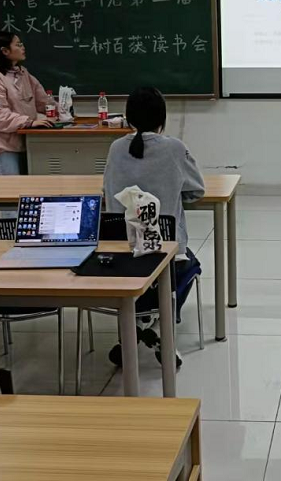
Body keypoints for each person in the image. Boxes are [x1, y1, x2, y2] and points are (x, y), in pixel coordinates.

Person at [102, 86, 206, 367]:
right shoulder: (174, 148)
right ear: (162, 118)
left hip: (119, 258)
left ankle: (137, 321)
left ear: (129, 118)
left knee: (146, 265)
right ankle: (160, 322)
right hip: (164, 259)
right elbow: (197, 190)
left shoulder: (116, 148)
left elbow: (106, 191)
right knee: (191, 264)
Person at [0, 32, 54, 175]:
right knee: (11, 189)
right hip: (5, 149)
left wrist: (63, 113)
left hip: (27, 144)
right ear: (5, 51)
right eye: (18, 45)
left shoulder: (22, 73)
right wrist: (29, 122)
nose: (23, 47)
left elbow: (43, 101)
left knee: (30, 187)